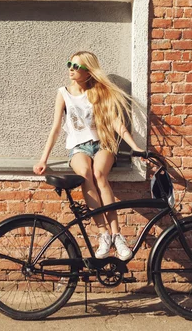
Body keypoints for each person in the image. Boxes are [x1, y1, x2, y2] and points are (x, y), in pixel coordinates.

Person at [33, 51, 144, 261]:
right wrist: (43, 159)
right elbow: (56, 128)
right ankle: (103, 235)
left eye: (76, 66)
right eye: (70, 64)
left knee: (99, 174)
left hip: (103, 144)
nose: (71, 69)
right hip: (78, 148)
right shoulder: (63, 93)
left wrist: (135, 148)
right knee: (85, 174)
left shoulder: (99, 91)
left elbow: (115, 123)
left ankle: (116, 236)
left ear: (88, 71)